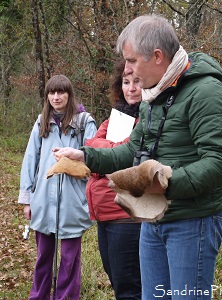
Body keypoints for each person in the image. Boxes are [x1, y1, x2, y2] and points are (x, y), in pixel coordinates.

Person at [53, 14, 222, 299]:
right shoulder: (155, 96)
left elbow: (221, 161)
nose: (127, 69)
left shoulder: (207, 94)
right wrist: (85, 156)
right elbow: (131, 151)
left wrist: (166, 182)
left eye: (132, 60)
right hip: (151, 218)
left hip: (193, 222)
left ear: (158, 56)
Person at [18, 74, 97, 300]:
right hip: (43, 199)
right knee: (44, 255)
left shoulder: (84, 122)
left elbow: (93, 159)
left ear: (69, 94)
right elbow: (30, 159)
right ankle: (39, 296)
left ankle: (65, 297)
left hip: (74, 201)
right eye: (51, 92)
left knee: (70, 259)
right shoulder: (41, 121)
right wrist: (27, 199)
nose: (56, 97)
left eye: (61, 92)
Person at [85, 59, 142, 300]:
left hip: (126, 216)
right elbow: (91, 145)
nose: (131, 88)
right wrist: (111, 152)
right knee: (117, 281)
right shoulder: (117, 118)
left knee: (129, 287)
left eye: (137, 81)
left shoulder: (149, 119)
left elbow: (127, 155)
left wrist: (106, 154)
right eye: (126, 82)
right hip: (104, 214)